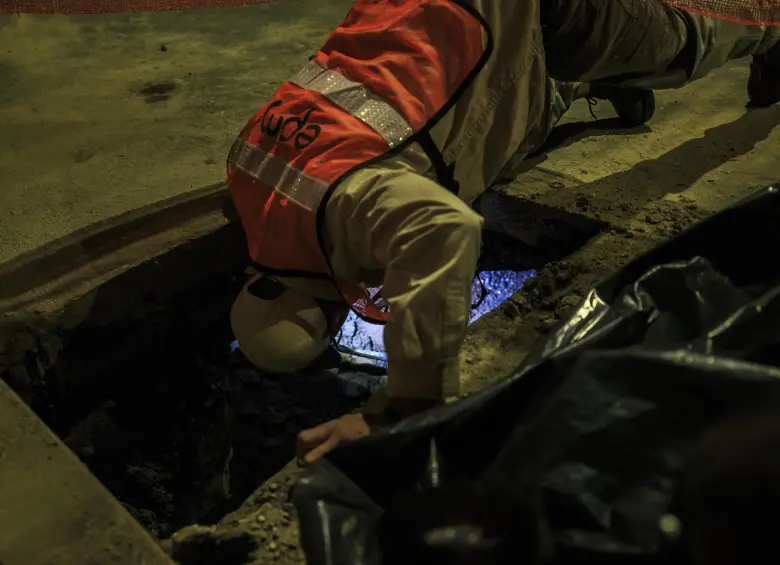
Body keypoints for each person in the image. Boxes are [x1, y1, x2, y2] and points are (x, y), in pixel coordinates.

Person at [226, 0, 780, 464]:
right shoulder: (248, 169)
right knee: (474, 149)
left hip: (523, 8)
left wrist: (407, 405)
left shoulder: (343, 206)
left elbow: (445, 229)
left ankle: (768, 26)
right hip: (449, 22)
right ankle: (592, 80)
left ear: (327, 315)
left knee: (672, 45)